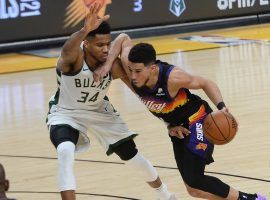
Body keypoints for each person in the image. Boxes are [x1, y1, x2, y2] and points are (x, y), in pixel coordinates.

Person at [94, 34, 267, 200]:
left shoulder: (173, 77)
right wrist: (108, 64)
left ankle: (250, 199)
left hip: (197, 118)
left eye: (138, 71)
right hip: (177, 127)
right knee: (193, 190)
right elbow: (123, 37)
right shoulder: (129, 64)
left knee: (195, 179)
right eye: (130, 70)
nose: (132, 76)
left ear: (152, 68)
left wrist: (222, 108)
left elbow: (206, 83)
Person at [46, 3, 176, 200]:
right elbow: (66, 50)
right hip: (66, 112)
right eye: (100, 45)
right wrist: (84, 30)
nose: (106, 49)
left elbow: (124, 38)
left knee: (133, 158)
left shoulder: (113, 66)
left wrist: (167, 121)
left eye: (108, 44)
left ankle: (165, 195)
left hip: (100, 112)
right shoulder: (74, 58)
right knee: (65, 151)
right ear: (86, 43)